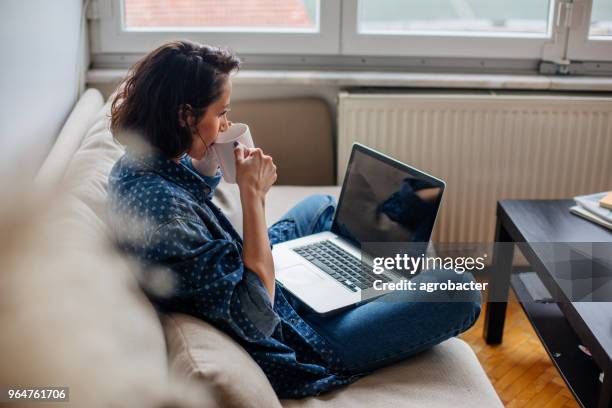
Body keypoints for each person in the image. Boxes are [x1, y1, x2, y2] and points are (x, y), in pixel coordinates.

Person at [107, 40, 481, 399]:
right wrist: (253, 196)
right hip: (301, 338)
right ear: (186, 116)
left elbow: (194, 216)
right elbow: (257, 317)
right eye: (221, 113)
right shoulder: (164, 216)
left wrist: (207, 161)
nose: (226, 124)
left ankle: (360, 275)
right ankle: (373, 280)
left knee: (320, 206)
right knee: (461, 289)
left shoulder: (142, 165)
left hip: (263, 284)